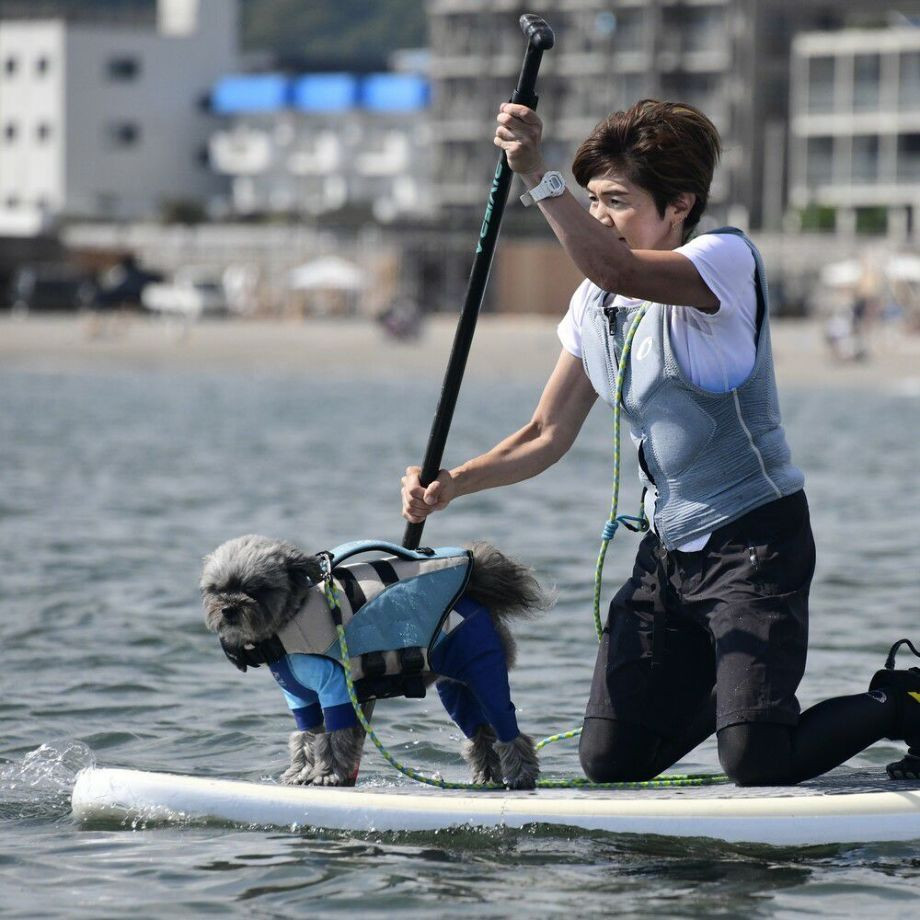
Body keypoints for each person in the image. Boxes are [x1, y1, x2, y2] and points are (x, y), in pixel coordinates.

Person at [401, 99, 920, 785]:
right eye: (591, 199)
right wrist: (452, 483)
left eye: (615, 200)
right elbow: (546, 433)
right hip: (666, 558)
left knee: (757, 764)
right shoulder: (595, 305)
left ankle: (902, 703)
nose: (597, 215)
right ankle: (739, 698)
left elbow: (621, 270)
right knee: (609, 763)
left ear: (680, 204)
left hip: (755, 544)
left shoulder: (724, 261)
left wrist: (536, 173)